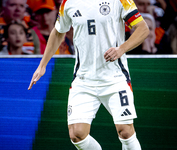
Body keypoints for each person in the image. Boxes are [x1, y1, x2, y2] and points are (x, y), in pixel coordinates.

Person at [28, 0, 149, 149]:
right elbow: (59, 32)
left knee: (125, 131)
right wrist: (42, 65)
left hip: (115, 78)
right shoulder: (68, 3)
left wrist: (121, 49)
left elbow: (143, 29)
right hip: (83, 80)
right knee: (77, 135)